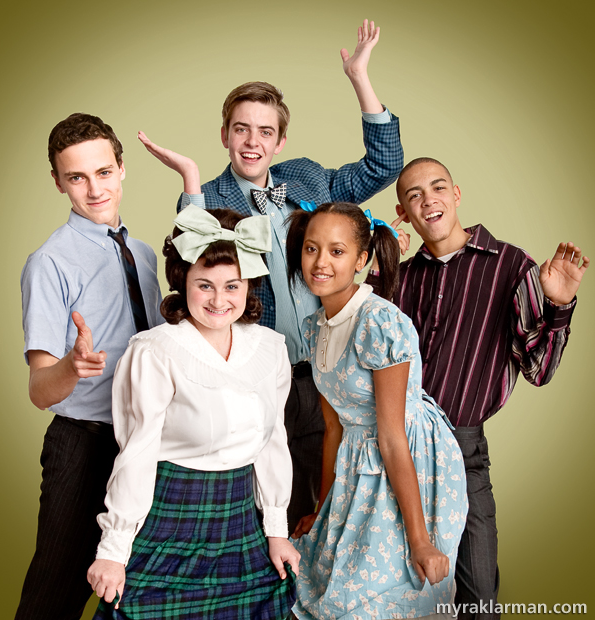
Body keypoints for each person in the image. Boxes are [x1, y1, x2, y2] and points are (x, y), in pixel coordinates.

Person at [138, 19, 404, 533]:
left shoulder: (306, 177)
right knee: (266, 506)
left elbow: (384, 163)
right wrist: (191, 180)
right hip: (259, 378)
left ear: (281, 141)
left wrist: (360, 78)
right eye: (241, 129)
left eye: (265, 131)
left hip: (327, 372)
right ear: (225, 135)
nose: (252, 141)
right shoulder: (211, 199)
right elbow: (190, 252)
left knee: (328, 506)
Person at [376, 157, 590, 619]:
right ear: (404, 211)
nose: (427, 199)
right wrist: (382, 267)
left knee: (478, 598)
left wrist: (558, 303)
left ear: (456, 195)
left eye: (437, 188)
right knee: (392, 589)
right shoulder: (402, 277)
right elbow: (366, 349)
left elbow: (538, 369)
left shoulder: (511, 265)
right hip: (397, 446)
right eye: (414, 195)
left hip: (462, 446)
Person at [87, 206, 300, 619]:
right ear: (183, 283)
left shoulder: (271, 347)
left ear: (249, 286)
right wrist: (113, 551)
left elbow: (274, 443)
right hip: (170, 514)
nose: (219, 300)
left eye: (232, 286)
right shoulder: (154, 350)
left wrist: (277, 530)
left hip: (241, 519)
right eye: (205, 285)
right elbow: (137, 453)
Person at [285, 202, 468, 619]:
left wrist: (419, 539)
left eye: (337, 251)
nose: (320, 262)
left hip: (410, 462)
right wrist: (323, 506)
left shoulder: (380, 323)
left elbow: (392, 434)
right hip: (358, 462)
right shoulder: (316, 328)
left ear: (361, 260)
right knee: (320, 576)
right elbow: (333, 427)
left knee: (383, 595)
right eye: (311, 249)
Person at [18, 113, 163, 620]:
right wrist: (73, 365)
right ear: (58, 181)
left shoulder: (143, 255)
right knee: (55, 592)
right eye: (76, 177)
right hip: (85, 442)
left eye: (103, 172)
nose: (93, 188)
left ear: (122, 169)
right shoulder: (50, 262)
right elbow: (40, 388)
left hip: (146, 443)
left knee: (136, 591)